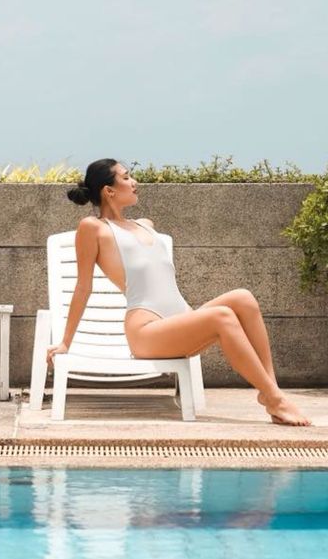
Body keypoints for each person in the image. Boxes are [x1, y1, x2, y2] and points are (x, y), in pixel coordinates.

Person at [47, 158, 311, 426]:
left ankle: (271, 392)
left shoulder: (145, 224)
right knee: (222, 316)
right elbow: (83, 286)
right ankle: (277, 400)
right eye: (126, 177)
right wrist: (65, 342)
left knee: (243, 298)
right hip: (146, 330)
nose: (134, 182)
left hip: (179, 320)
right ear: (109, 190)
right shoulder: (93, 228)